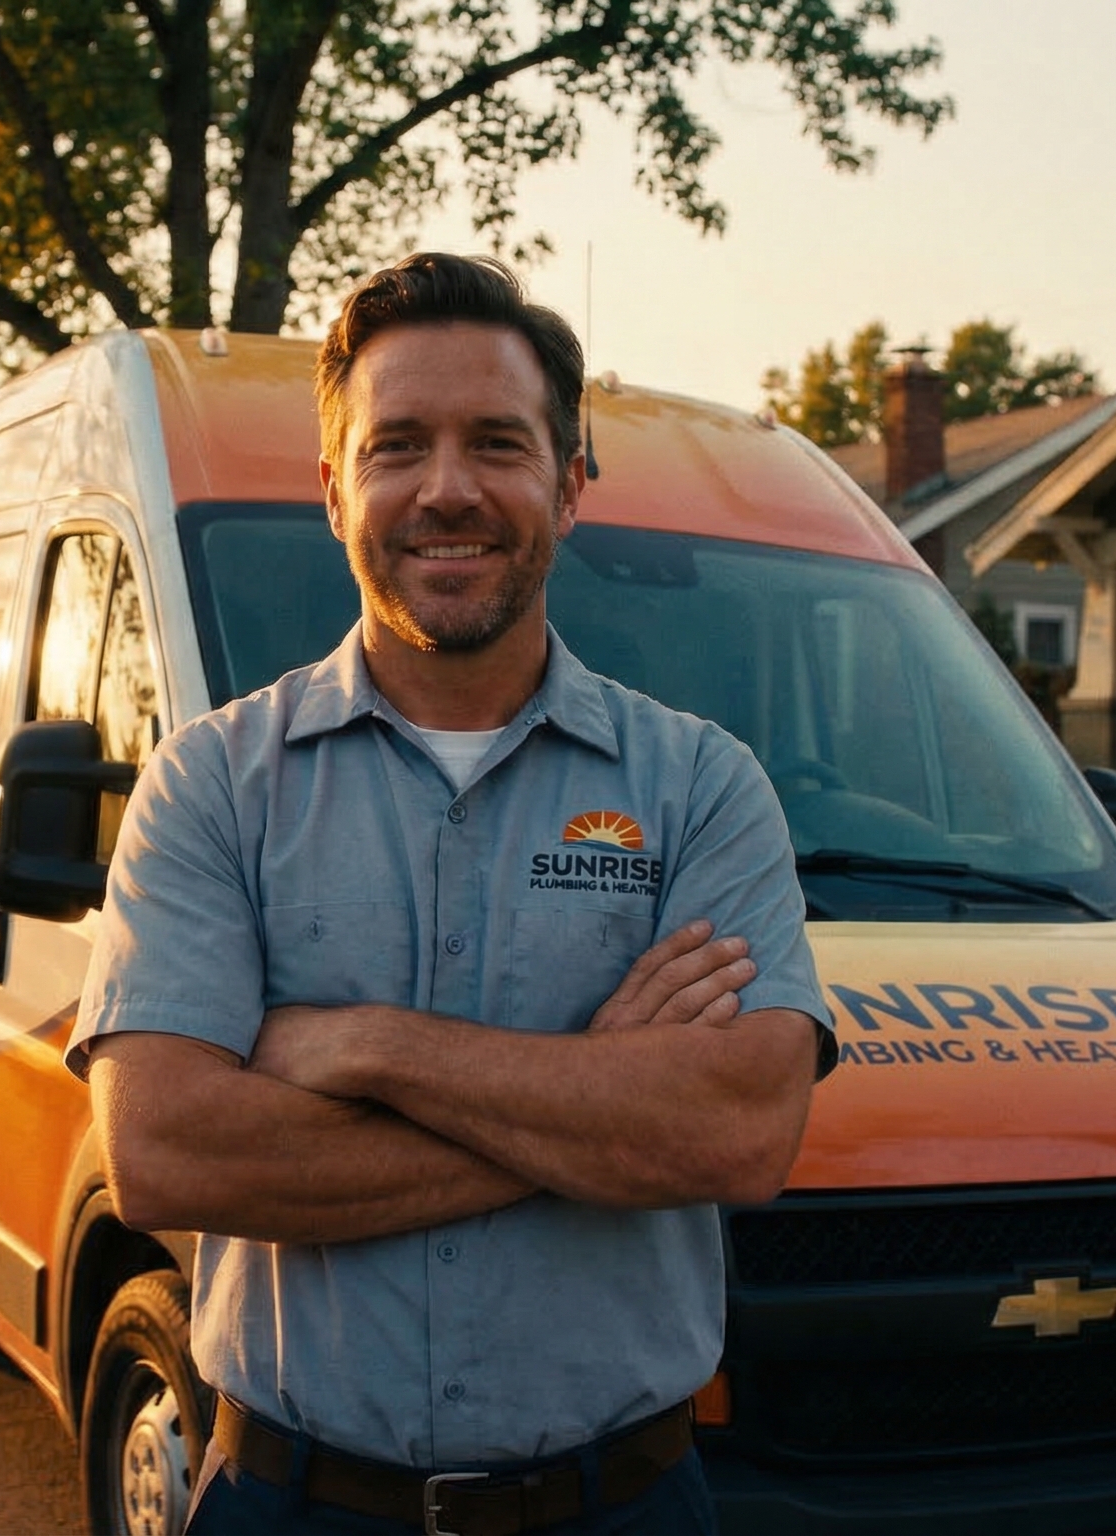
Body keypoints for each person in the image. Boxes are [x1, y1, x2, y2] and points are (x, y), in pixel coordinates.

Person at [69, 252, 833, 1536]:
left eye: (498, 443)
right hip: (293, 1500)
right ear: (331, 489)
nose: (447, 491)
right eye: (397, 446)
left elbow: (737, 1136)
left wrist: (360, 1046)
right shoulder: (211, 786)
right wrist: (598, 1104)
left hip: (622, 1505)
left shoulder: (704, 785)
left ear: (569, 485)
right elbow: (164, 1151)